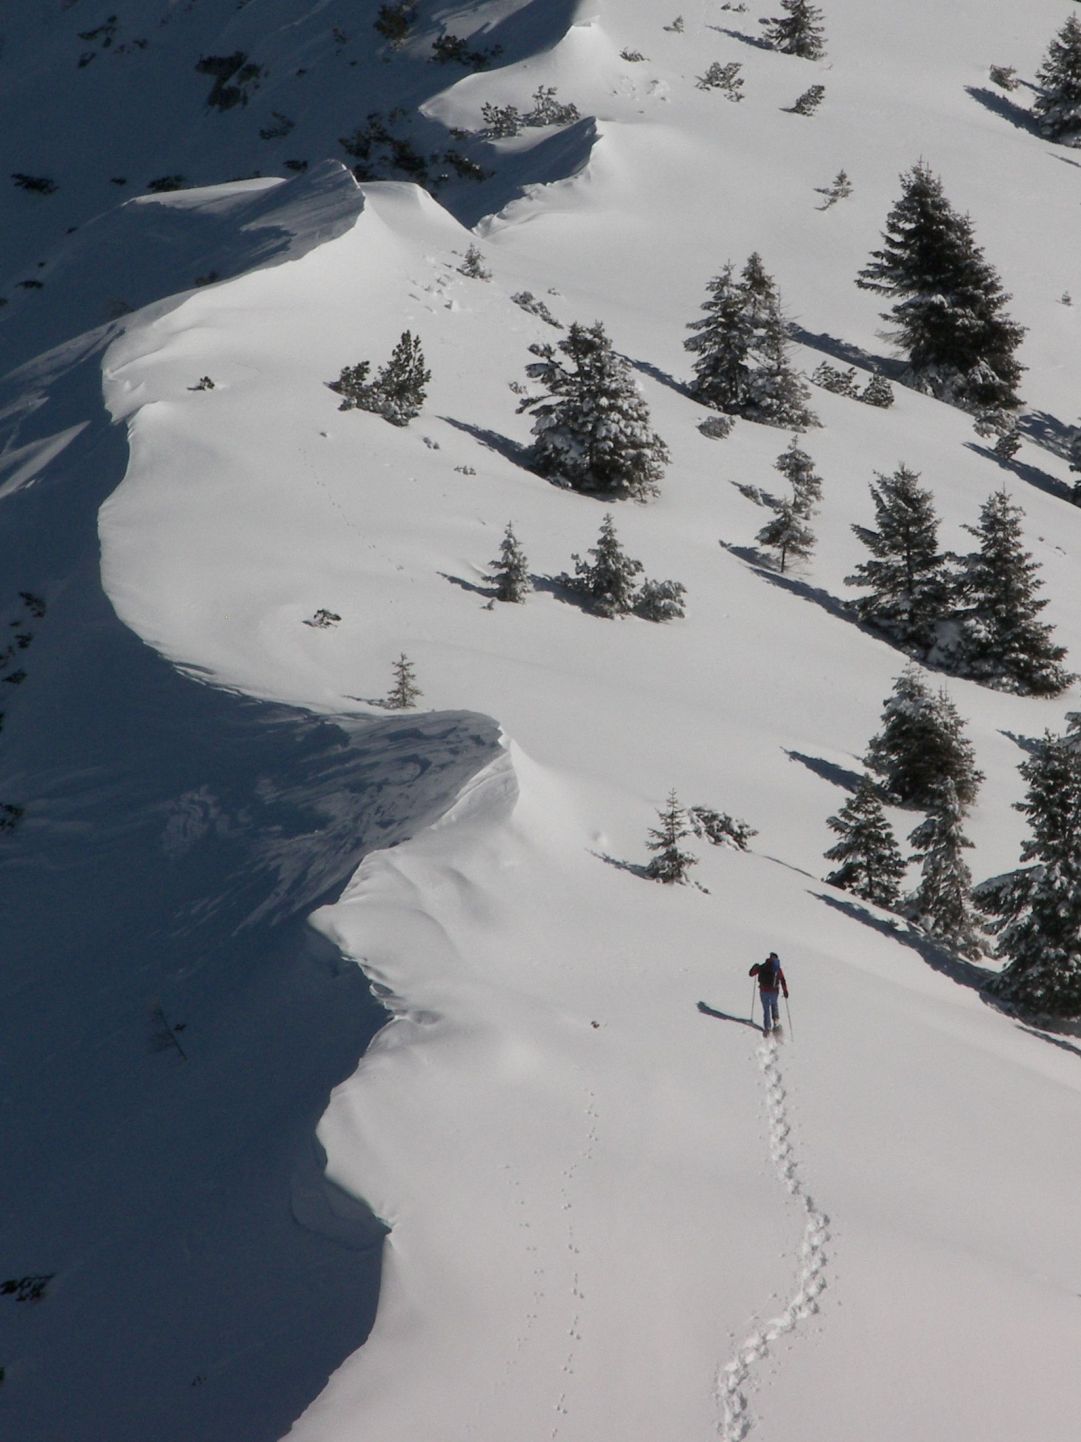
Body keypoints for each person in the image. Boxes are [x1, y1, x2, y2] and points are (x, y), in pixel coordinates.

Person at [749, 951, 788, 1035]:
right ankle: (776, 1023)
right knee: (774, 1004)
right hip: (774, 991)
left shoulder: (763, 966)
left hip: (764, 991)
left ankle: (768, 1028)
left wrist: (755, 967)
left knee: (766, 1009)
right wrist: (785, 991)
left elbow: (751, 974)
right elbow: (783, 980)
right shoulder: (777, 969)